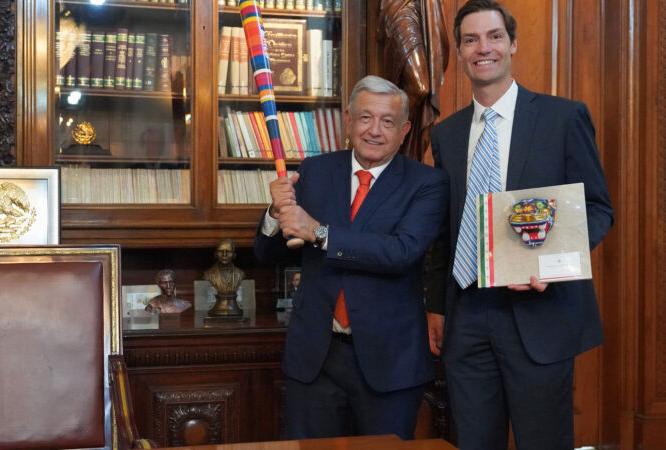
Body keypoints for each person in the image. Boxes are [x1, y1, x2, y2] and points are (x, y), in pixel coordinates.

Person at [425, 2, 614, 449]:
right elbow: (443, 229)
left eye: (493, 36)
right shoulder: (446, 134)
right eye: (470, 40)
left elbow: (597, 208)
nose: (482, 48)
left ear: (512, 43)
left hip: (538, 313)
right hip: (467, 315)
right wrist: (436, 306)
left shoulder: (562, 118)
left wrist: (550, 265)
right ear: (461, 51)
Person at [254, 75, 448, 440]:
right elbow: (268, 253)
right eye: (365, 118)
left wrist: (320, 233)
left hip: (389, 362)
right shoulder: (315, 171)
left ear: (404, 129)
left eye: (387, 121)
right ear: (347, 121)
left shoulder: (426, 183)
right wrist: (275, 211)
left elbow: (401, 252)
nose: (374, 130)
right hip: (316, 358)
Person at [379, 0, 449, 160]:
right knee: (420, 87)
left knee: (424, 89)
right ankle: (391, 141)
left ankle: (407, 153)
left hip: (425, 8)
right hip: (401, 8)